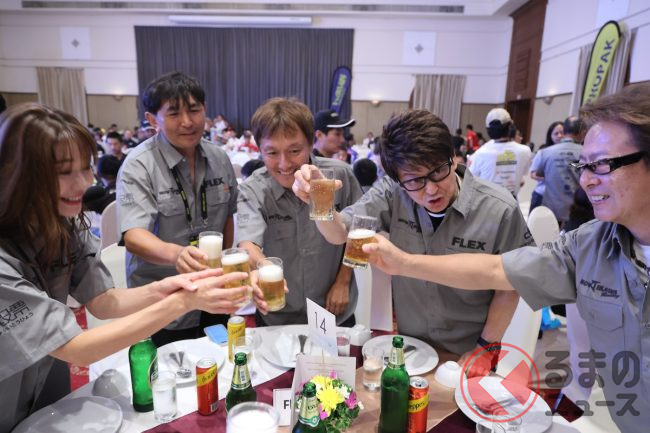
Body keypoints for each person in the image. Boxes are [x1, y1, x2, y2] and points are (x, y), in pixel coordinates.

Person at [358, 83, 650, 433]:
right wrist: (404, 263)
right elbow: (499, 269)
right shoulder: (589, 245)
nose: (585, 181)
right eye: (583, 165)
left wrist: (485, 343)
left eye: (601, 165)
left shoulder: (499, 207)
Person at [0, 103, 250, 432]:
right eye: (64, 172)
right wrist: (183, 302)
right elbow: (78, 350)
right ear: (18, 175)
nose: (84, 182)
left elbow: (104, 300)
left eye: (86, 168)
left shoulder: (63, 225)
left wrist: (168, 288)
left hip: (47, 384)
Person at [292, 109, 529, 370]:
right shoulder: (393, 193)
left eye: (438, 171)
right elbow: (338, 234)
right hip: (409, 349)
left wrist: (486, 348)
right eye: (415, 180)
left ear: (453, 158)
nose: (431, 189)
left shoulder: (499, 209)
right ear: (398, 179)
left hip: (468, 353)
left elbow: (511, 285)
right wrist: (321, 202)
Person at [116, 71, 240, 346]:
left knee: (218, 362)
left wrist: (221, 269)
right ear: (152, 120)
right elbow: (134, 236)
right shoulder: (139, 165)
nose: (187, 122)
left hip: (211, 294)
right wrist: (177, 254)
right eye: (173, 113)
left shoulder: (219, 158)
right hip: (162, 301)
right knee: (167, 370)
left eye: (194, 110)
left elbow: (227, 218)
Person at [238, 98, 362, 326]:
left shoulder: (340, 175)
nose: (284, 164)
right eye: (272, 153)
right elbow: (247, 243)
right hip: (278, 313)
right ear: (259, 149)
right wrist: (265, 269)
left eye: (295, 151)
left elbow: (359, 235)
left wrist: (344, 281)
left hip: (333, 309)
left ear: (312, 142)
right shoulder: (253, 189)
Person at [469, 108, 532, 198]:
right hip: (512, 201)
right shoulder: (525, 151)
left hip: (487, 201)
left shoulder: (480, 153)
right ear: (510, 127)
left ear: (488, 130)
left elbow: (471, 179)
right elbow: (523, 176)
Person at [537, 116, 584, 226]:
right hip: (576, 209)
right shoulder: (586, 152)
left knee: (548, 236)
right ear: (581, 131)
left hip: (551, 209)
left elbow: (539, 174)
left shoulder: (546, 152)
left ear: (564, 130)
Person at [529, 121, 564, 212]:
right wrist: (552, 178)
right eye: (556, 133)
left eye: (562, 132)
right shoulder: (543, 152)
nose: (560, 136)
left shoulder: (570, 153)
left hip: (562, 197)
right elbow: (533, 174)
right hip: (542, 195)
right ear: (550, 136)